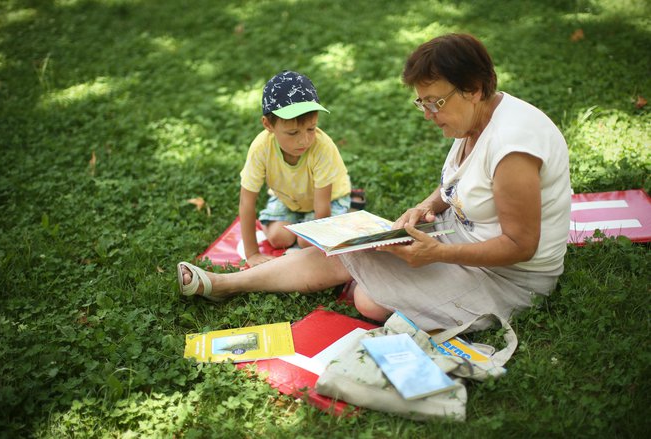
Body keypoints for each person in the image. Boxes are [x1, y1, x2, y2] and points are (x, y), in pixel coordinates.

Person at [177, 33, 571, 331]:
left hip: (510, 280)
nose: (428, 113)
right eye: (422, 102)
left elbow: (521, 246)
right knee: (350, 250)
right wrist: (427, 207)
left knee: (367, 299)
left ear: (473, 89)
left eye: (435, 101)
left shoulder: (513, 149)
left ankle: (259, 282)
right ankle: (226, 283)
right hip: (460, 240)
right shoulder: (477, 118)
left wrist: (436, 253)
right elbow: (459, 183)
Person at [238, 70, 352, 267]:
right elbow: (247, 202)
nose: (304, 140)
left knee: (306, 243)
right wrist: (252, 253)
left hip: (329, 200)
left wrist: (316, 240)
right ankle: (296, 227)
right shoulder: (260, 148)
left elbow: (322, 207)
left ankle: (304, 231)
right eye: (292, 132)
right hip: (288, 198)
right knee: (277, 239)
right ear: (268, 124)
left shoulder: (322, 147)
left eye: (311, 128)